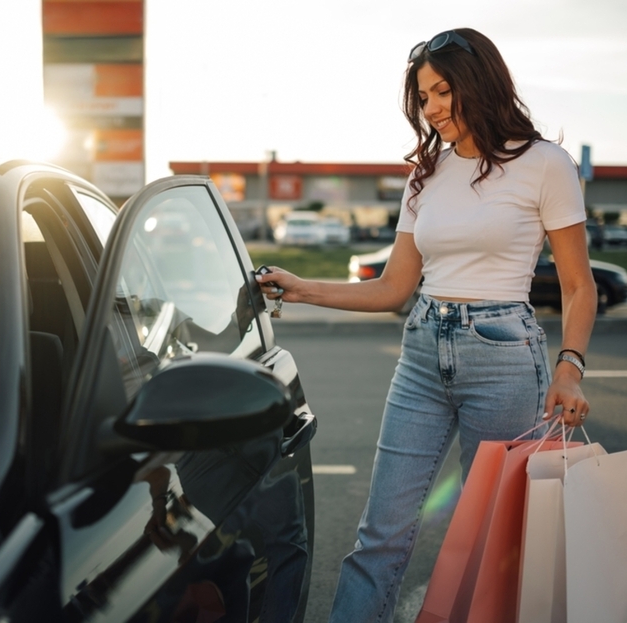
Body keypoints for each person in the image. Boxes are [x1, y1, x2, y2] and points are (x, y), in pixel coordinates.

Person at [255, 27, 596, 622]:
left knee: (490, 542)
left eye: (443, 92)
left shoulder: (546, 164)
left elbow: (577, 284)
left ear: (480, 86)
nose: (431, 108)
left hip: (504, 355)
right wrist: (302, 288)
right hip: (420, 351)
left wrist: (570, 367)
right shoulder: (427, 174)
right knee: (379, 534)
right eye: (423, 97)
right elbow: (393, 288)